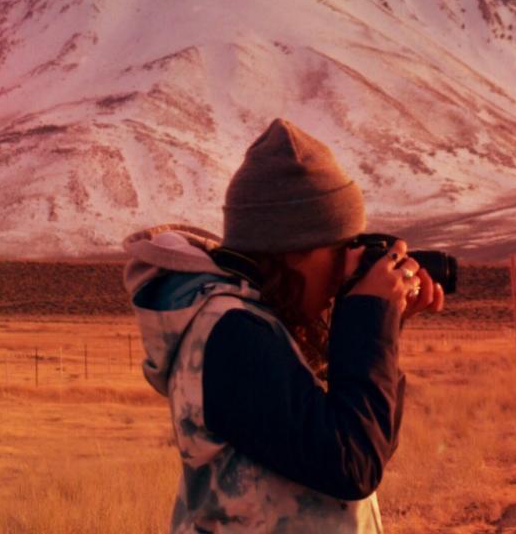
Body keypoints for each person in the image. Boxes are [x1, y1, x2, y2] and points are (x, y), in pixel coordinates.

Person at [124, 117, 445, 532]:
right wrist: (367, 319)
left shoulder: (246, 325)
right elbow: (351, 465)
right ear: (295, 250)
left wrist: (384, 329)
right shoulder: (232, 333)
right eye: (340, 249)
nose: (343, 272)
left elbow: (368, 446)